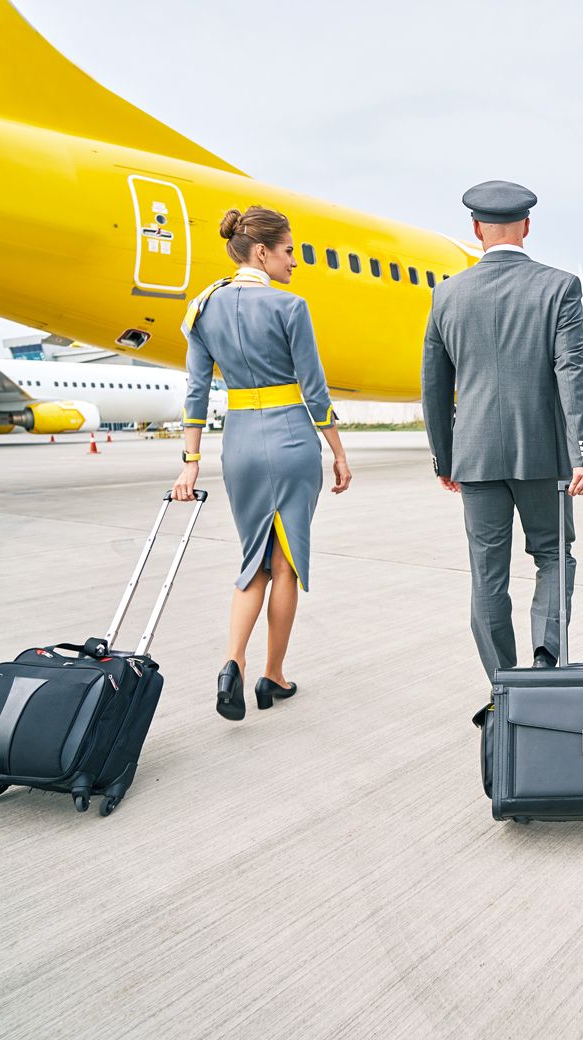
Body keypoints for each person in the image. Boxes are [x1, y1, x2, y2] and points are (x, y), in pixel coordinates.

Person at [174, 205, 352, 719]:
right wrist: (339, 453)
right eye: (289, 251)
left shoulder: (203, 309)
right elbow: (315, 392)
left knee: (253, 560)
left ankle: (233, 662)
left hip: (241, 444)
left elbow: (196, 391)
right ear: (262, 252)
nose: (294, 262)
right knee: (286, 562)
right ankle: (273, 676)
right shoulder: (290, 307)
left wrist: (190, 461)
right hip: (292, 439)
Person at [421, 180, 583, 682]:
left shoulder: (446, 294)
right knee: (553, 556)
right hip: (542, 454)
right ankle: (546, 658)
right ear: (526, 226)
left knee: (487, 575)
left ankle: (503, 684)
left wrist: (445, 458)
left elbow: (434, 386)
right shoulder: (558, 287)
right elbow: (571, 373)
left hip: (473, 457)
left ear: (476, 229)